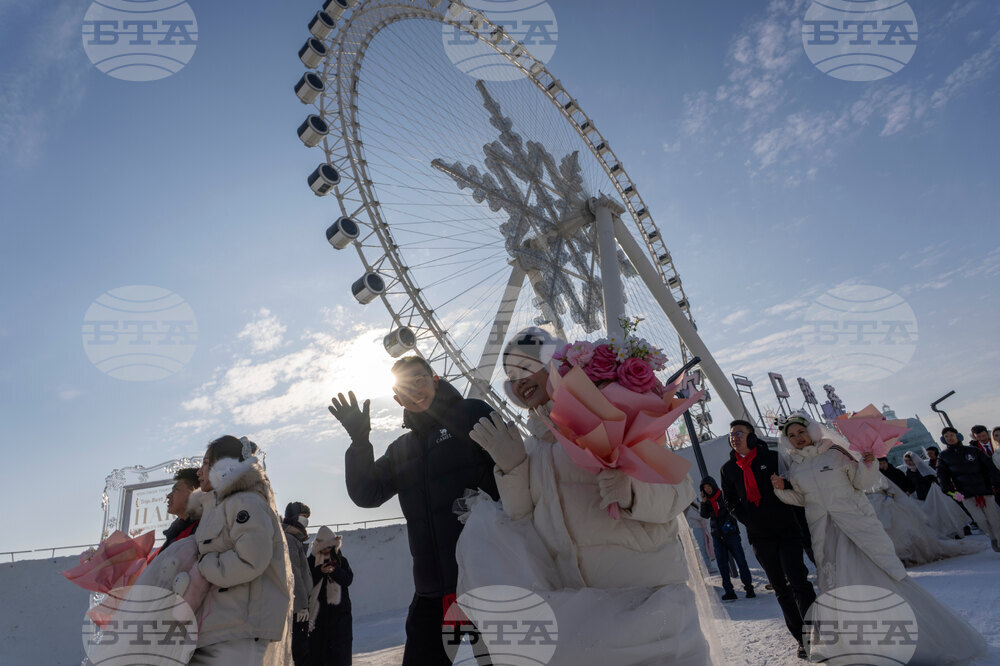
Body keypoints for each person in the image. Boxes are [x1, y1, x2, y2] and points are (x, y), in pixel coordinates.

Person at [459, 327, 715, 664]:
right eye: (510, 376)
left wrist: (632, 492)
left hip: (650, 605)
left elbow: (678, 490)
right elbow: (524, 524)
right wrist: (512, 467)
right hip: (584, 617)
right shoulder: (531, 450)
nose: (518, 381)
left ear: (552, 360)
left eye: (524, 367)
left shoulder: (609, 413)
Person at [772, 414, 987, 664]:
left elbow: (863, 483)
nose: (798, 438)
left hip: (856, 527)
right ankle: (857, 646)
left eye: (801, 432)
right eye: (792, 435)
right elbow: (802, 499)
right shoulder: (795, 466)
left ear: (812, 431)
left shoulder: (835, 453)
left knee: (877, 577)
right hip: (825, 532)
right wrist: (781, 490)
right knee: (839, 586)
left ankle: (905, 642)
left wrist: (869, 463)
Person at [328, 356, 498, 665]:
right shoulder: (400, 450)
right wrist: (360, 441)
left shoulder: (472, 414)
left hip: (486, 579)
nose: (415, 391)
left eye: (420, 380)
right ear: (397, 398)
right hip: (431, 590)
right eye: (405, 388)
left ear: (435, 378)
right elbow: (367, 493)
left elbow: (513, 468)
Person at [189, 436, 293, 665]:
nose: (200, 471)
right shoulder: (216, 507)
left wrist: (205, 565)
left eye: (206, 463)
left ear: (222, 465)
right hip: (216, 627)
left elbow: (251, 559)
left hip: (238, 628)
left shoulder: (246, 502)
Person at [720, 420, 815, 659]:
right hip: (759, 536)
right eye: (731, 435)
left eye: (740, 433)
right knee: (781, 589)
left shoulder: (773, 458)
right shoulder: (728, 469)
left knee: (798, 582)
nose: (735, 438)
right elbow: (729, 502)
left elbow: (796, 485)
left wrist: (785, 484)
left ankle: (818, 632)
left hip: (786, 529)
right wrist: (747, 519)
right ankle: (802, 639)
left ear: (752, 437)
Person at [937, 426, 1000, 552]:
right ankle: (992, 536)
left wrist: (995, 482)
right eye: (946, 436)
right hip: (965, 493)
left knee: (993, 518)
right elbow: (942, 475)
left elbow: (989, 466)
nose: (950, 438)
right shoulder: (943, 456)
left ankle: (999, 539)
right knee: (980, 520)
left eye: (952, 435)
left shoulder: (973, 450)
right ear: (943, 440)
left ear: (958, 436)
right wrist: (948, 490)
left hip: (984, 489)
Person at [699, 477, 755, 602]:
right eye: (705, 488)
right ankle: (729, 591)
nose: (707, 490)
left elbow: (730, 509)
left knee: (741, 561)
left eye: (709, 486)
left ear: (713, 485)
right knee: (722, 565)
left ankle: (749, 588)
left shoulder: (723, 495)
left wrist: (726, 521)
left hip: (731, 533)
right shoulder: (707, 501)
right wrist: (703, 502)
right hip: (717, 536)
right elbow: (704, 515)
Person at [307, 526, 353, 666]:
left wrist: (334, 571)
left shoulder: (341, 560)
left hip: (340, 618)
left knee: (340, 657)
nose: (327, 550)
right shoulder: (311, 561)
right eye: (324, 547)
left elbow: (348, 579)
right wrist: (320, 571)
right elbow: (306, 583)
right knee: (319, 656)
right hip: (319, 618)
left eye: (329, 546)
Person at [899, 451, 970, 539]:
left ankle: (955, 531)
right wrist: (908, 491)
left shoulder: (924, 468)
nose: (908, 463)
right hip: (923, 497)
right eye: (906, 461)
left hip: (934, 496)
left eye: (910, 460)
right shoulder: (909, 472)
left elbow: (933, 479)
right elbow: (911, 485)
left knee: (943, 513)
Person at [148, 467, 201, 562]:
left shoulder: (202, 531)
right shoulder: (174, 533)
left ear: (194, 492)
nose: (168, 496)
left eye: (175, 490)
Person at [283, 502, 313, 665]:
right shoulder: (289, 538)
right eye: (303, 517)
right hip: (296, 607)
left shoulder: (294, 537)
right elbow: (294, 573)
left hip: (298, 605)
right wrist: (301, 606)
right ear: (294, 517)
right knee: (299, 651)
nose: (306, 521)